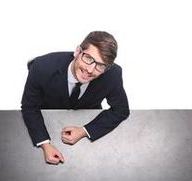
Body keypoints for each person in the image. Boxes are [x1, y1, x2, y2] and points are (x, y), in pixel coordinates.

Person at [20, 31, 129, 165]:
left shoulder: (112, 74)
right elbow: (30, 106)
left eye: (100, 66)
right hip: (48, 120)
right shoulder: (41, 67)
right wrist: (45, 144)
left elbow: (121, 110)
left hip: (86, 122)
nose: (90, 70)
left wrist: (84, 131)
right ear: (77, 51)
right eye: (88, 58)